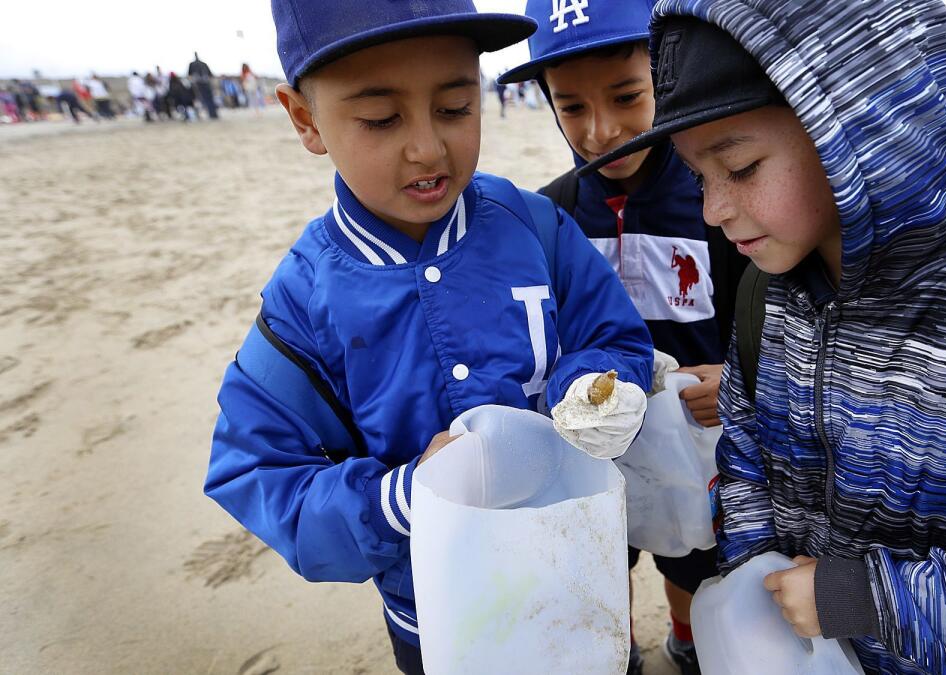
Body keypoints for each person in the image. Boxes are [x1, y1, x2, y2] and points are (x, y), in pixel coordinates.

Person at [582, 1, 946, 673]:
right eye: (697, 175)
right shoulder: (763, 297)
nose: (714, 210)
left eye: (742, 168)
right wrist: (754, 581)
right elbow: (746, 465)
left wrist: (858, 596)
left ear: (859, 130)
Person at [203, 2, 654, 674]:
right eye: (381, 118)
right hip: (437, 615)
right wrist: (403, 496)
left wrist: (592, 386)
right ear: (305, 118)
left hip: (575, 569)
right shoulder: (303, 300)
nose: (427, 147)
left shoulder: (536, 226)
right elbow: (257, 470)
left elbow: (615, 336)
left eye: (454, 107)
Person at [501, 1, 747, 672]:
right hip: (588, 451)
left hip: (695, 443)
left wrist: (738, 378)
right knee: (596, 560)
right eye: (571, 106)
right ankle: (618, 652)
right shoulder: (547, 216)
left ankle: (687, 640)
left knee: (693, 556)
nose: (601, 131)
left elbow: (766, 317)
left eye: (626, 97)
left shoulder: (717, 198)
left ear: (665, 75)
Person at [188, 52, 219, 119]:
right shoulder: (203, 64)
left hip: (199, 84)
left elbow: (189, 75)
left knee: (204, 99)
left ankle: (211, 114)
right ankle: (213, 114)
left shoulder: (192, 64)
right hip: (205, 83)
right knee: (209, 99)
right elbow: (210, 75)